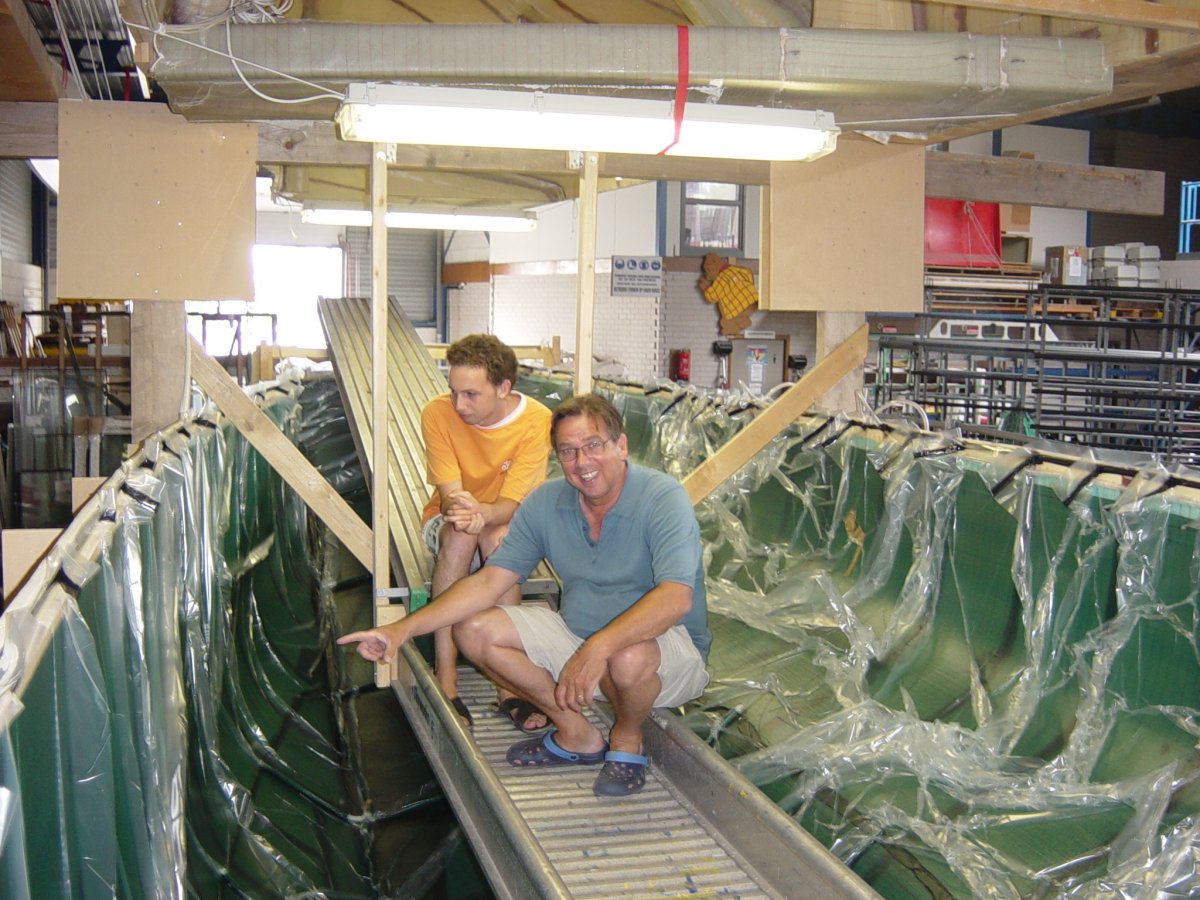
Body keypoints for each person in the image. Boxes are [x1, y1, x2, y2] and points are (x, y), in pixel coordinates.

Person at [339, 393, 711, 798]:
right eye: (568, 451)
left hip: (664, 652)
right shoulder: (546, 503)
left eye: (593, 446)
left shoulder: (662, 498)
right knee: (473, 628)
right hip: (578, 635)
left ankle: (626, 738)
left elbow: (675, 598)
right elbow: (488, 583)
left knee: (627, 655)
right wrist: (401, 630)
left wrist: (597, 648)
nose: (582, 463)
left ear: (621, 446)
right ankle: (576, 733)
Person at [419, 334, 552, 731]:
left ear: (504, 388)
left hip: (504, 519)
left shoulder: (536, 421)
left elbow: (512, 504)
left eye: (472, 395)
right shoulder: (437, 414)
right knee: (461, 534)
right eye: (454, 392)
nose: (459, 405)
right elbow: (449, 496)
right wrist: (468, 514)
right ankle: (446, 675)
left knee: (502, 539)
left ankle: (507, 683)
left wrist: (486, 516)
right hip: (451, 519)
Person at [697, 251, 760, 337]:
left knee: (725, 322)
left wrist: (704, 287)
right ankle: (743, 321)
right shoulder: (737, 269)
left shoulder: (721, 278)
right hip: (754, 301)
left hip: (737, 310)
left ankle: (737, 327)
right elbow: (748, 273)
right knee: (738, 317)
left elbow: (712, 296)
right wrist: (748, 289)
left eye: (707, 271)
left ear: (711, 269)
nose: (708, 276)